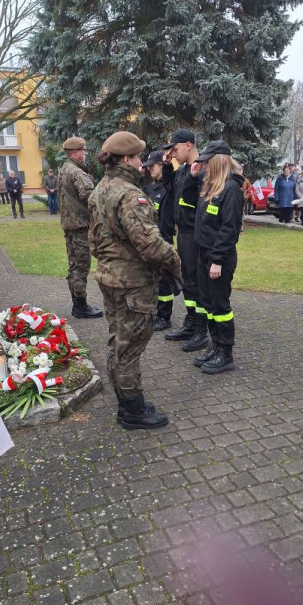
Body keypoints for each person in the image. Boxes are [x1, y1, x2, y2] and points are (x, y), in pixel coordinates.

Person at [88, 131, 182, 430]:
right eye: (139, 157)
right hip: (132, 284)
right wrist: (176, 263)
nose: (143, 163)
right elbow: (151, 245)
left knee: (119, 340)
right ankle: (132, 410)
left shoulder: (100, 189)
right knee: (129, 347)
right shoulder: (130, 195)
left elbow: (94, 241)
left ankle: (126, 401)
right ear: (127, 159)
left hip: (110, 278)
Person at [181, 140, 244, 373]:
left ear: (218, 162)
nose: (204, 165)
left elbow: (229, 230)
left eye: (207, 161)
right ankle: (215, 346)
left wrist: (217, 260)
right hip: (203, 253)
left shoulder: (231, 190)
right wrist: (192, 176)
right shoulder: (209, 187)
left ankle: (225, 353)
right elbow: (186, 200)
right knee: (207, 303)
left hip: (219, 257)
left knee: (220, 305)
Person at [162, 129, 208, 353]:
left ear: (188, 145)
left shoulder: (202, 170)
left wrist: (192, 177)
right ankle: (191, 322)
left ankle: (201, 329)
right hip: (184, 233)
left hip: (195, 233)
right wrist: (165, 167)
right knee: (188, 279)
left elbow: (199, 202)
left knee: (197, 281)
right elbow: (170, 190)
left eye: (176, 149)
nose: (173, 153)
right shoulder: (181, 171)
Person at [58, 137, 103, 319]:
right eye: (83, 151)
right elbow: (91, 197)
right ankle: (80, 306)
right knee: (81, 266)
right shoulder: (77, 172)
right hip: (80, 227)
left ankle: (78, 303)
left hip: (70, 226)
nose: (85, 154)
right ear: (75, 152)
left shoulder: (64, 169)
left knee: (74, 265)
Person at [143, 150, 176, 331]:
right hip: (150, 239)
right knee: (154, 279)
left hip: (164, 238)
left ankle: (165, 316)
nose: (149, 170)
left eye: (152, 166)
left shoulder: (169, 187)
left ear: (161, 165)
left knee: (164, 279)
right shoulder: (150, 187)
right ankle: (156, 312)